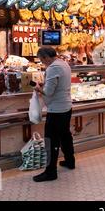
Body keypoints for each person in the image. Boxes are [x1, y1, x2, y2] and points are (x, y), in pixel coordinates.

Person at [33, 47, 75, 182]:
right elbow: (57, 84)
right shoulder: (63, 63)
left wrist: (39, 89)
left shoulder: (52, 68)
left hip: (56, 109)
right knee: (65, 135)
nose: (42, 62)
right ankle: (70, 161)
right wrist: (45, 84)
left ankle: (51, 172)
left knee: (51, 141)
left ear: (46, 57)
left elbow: (49, 92)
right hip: (66, 106)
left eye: (41, 60)